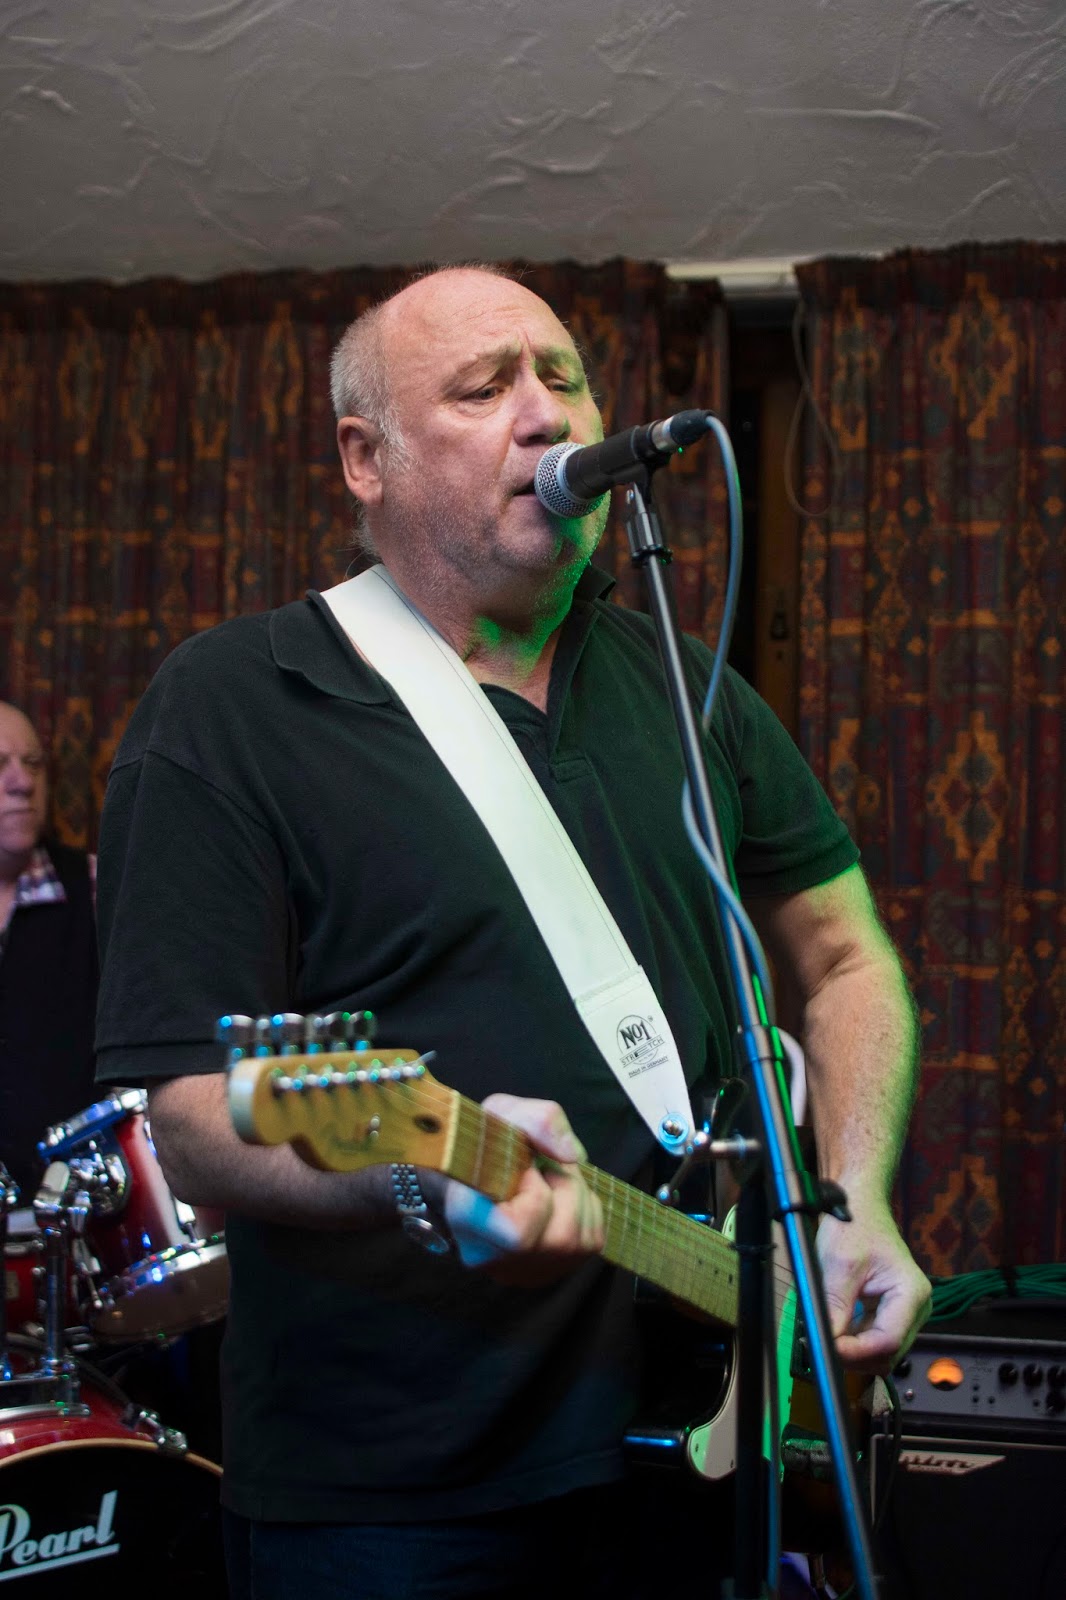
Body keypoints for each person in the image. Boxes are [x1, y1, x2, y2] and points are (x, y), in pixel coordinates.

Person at [94, 265, 931, 1600]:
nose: (545, 414)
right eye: (484, 389)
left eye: (563, 378)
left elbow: (842, 958)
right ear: (364, 460)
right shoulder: (235, 704)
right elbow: (198, 1111)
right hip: (392, 1494)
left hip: (700, 1460)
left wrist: (856, 1200)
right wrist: (413, 1176)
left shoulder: (685, 685)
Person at [0, 701, 99, 1197]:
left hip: (74, 1210)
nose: (22, 782)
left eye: (34, 763)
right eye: (0, 764)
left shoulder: (95, 886)